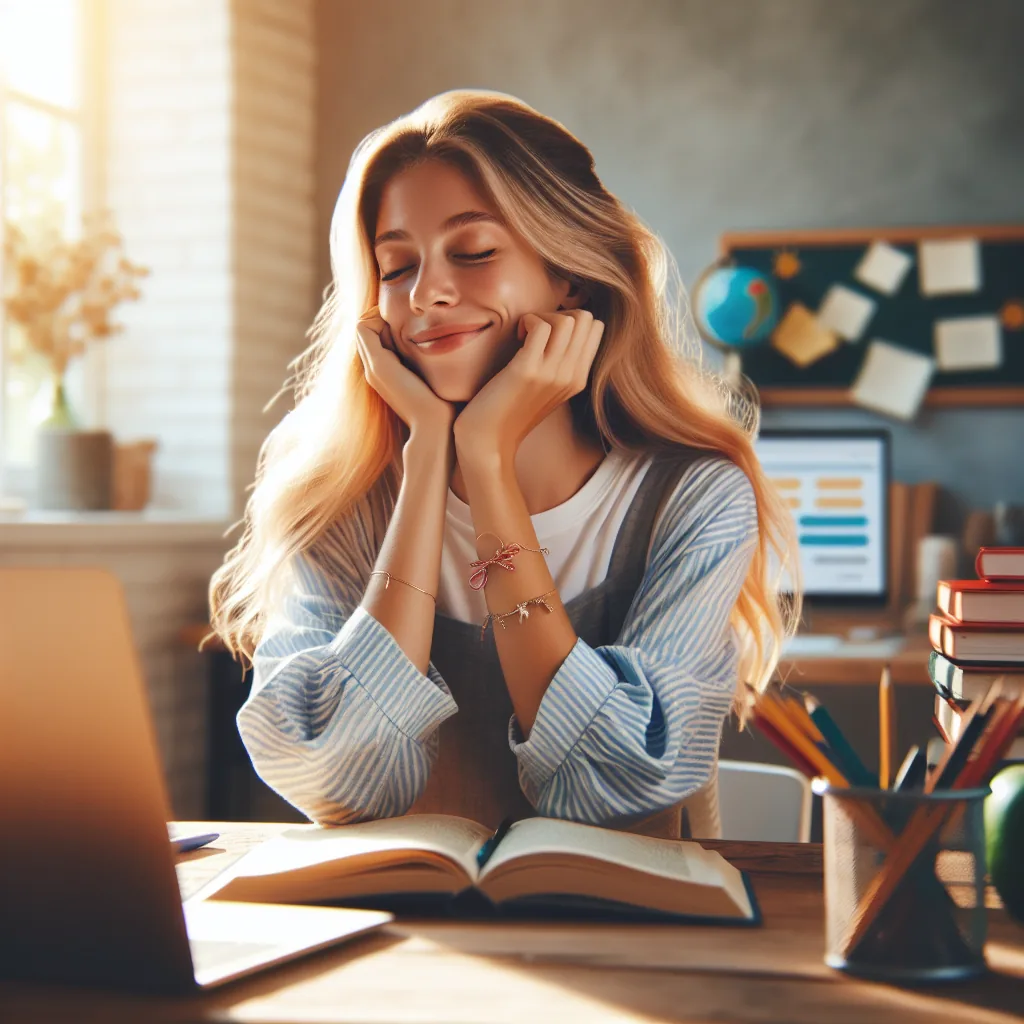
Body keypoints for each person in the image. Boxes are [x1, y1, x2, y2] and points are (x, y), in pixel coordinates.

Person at [208, 89, 801, 838]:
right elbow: (333, 780)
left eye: (476, 252)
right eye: (396, 267)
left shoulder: (695, 496)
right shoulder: (339, 496)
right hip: (399, 937)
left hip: (628, 941)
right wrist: (428, 463)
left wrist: (486, 464)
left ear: (572, 277)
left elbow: (622, 782)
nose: (428, 293)